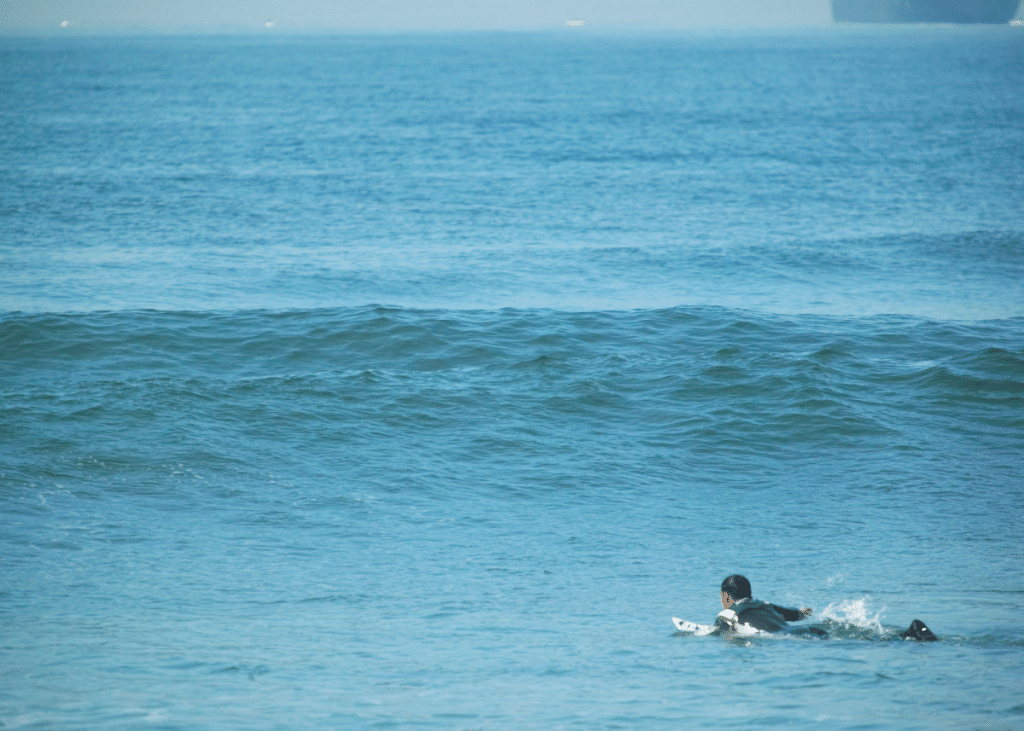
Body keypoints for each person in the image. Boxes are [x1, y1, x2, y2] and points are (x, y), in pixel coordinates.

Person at [712, 574, 815, 635]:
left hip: (776, 637)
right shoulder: (765, 605)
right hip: (803, 631)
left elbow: (716, 633)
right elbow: (797, 615)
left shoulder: (727, 614)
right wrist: (802, 611)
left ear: (726, 596)